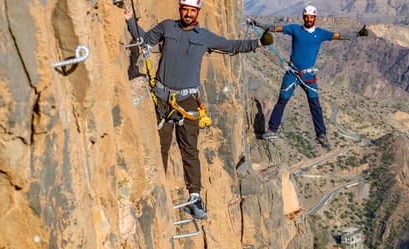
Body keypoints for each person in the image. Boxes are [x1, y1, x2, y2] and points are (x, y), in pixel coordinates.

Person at [123, 0, 274, 219]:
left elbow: (231, 46)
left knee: (189, 150)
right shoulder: (167, 27)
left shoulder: (204, 36)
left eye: (192, 11)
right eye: (185, 9)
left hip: (188, 102)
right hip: (163, 99)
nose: (188, 14)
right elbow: (144, 40)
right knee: (160, 147)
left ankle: (194, 197)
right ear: (180, 10)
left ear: (197, 13)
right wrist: (129, 20)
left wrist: (259, 43)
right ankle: (160, 190)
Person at [255, 5, 368, 149]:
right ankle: (272, 130)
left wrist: (358, 34)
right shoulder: (295, 29)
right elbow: (276, 28)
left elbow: (339, 36)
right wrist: (258, 24)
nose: (308, 19)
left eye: (311, 17)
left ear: (315, 18)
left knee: (315, 105)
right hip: (293, 72)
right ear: (304, 17)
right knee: (282, 100)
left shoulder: (320, 33)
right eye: (306, 17)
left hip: (309, 75)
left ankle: (321, 135)